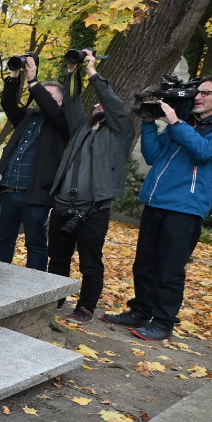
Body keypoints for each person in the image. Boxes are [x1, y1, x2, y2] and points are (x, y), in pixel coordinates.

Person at [103, 75, 212, 342]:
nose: (198, 97)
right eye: (198, 92)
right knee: (145, 264)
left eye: (206, 93)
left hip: (187, 207)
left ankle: (163, 321)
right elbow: (153, 156)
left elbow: (205, 151)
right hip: (156, 201)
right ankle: (139, 312)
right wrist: (148, 122)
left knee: (169, 268)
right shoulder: (187, 121)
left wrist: (176, 122)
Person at [46, 52, 135, 322]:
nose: (99, 106)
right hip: (63, 206)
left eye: (103, 104)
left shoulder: (120, 132)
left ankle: (85, 307)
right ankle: (52, 299)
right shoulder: (82, 128)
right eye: (95, 104)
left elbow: (112, 103)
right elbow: (72, 103)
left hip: (93, 210)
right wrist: (71, 72)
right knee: (57, 259)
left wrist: (92, 71)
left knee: (90, 263)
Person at [0, 55, 79, 270]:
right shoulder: (28, 116)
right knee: (4, 239)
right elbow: (8, 104)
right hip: (8, 190)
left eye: (47, 96)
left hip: (36, 195)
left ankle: (33, 288)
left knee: (36, 243)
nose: (41, 99)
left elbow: (51, 110)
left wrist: (34, 81)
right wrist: (15, 74)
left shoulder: (63, 123)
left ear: (60, 102)